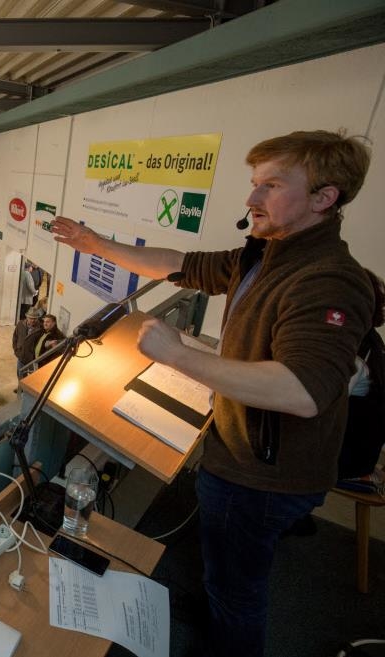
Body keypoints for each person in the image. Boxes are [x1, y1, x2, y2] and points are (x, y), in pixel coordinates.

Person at [51, 129, 373, 657]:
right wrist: (97, 245)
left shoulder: (328, 279)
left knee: (240, 593)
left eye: (271, 185)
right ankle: (217, 605)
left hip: (263, 475)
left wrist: (179, 356)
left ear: (324, 197)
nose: (251, 199)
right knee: (226, 563)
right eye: (254, 184)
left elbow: (302, 390)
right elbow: (180, 263)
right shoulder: (267, 254)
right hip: (242, 452)